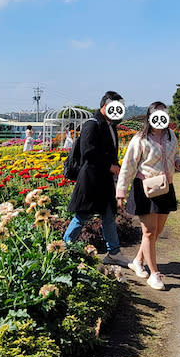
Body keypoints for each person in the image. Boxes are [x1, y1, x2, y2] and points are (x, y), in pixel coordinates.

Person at [116, 101, 180, 290]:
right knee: (148, 232)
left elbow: (176, 156)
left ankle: (138, 261)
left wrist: (179, 163)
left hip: (166, 188)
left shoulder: (171, 136)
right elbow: (128, 165)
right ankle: (154, 274)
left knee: (157, 231)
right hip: (145, 188)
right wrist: (121, 191)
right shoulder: (140, 138)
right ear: (149, 117)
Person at [63, 91, 126, 263]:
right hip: (91, 179)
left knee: (108, 215)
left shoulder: (110, 125)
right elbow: (87, 152)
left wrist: (116, 167)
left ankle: (114, 252)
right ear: (105, 105)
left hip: (104, 180)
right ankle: (64, 248)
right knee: (82, 215)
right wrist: (109, 165)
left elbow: (110, 152)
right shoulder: (92, 124)